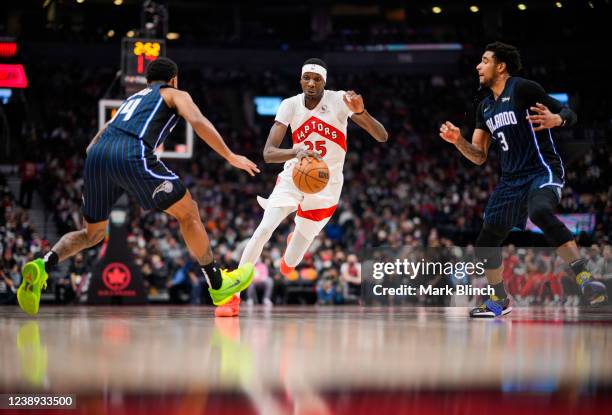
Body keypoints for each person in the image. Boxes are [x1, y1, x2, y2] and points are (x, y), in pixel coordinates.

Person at [17, 57, 259, 315]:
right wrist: (230, 156)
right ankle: (218, 283)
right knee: (188, 212)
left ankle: (44, 264)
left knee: (92, 234)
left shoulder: (129, 102)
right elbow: (198, 122)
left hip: (97, 157)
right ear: (174, 79)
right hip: (130, 152)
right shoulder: (174, 93)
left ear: (147, 81)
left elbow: (91, 145)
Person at [439, 42, 607, 317]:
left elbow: (569, 113)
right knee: (485, 242)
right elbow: (479, 155)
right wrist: (458, 141)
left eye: (484, 60)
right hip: (510, 181)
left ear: (501, 66)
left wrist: (557, 119)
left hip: (541, 170)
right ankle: (499, 300)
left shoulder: (522, 88)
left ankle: (585, 278)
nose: (478, 66)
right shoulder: (484, 107)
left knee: (540, 212)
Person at [216, 58, 388, 317]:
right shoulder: (290, 105)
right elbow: (269, 153)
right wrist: (296, 151)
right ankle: (233, 295)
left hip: (327, 187)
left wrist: (362, 113)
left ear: (324, 82)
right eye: (307, 77)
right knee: (264, 229)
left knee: (290, 265)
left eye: (317, 79)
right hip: (294, 177)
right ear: (300, 80)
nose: (311, 83)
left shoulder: (339, 100)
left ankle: (290, 253)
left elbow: (381, 136)